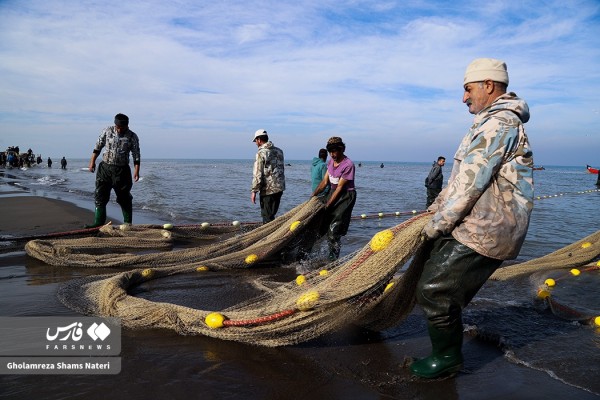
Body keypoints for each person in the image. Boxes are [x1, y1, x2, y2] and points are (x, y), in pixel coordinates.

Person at [410, 58, 534, 379]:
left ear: (488, 86)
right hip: (473, 221)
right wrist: (435, 209)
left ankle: (448, 358)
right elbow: (459, 179)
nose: (464, 98)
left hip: (488, 227)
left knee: (434, 290)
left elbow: (470, 184)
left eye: (467, 89)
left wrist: (436, 225)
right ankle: (446, 351)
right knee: (437, 283)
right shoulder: (487, 122)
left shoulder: (499, 124)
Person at [86, 113, 141, 228]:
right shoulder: (107, 131)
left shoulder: (132, 136)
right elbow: (98, 147)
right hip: (105, 168)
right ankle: (98, 223)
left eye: (122, 128)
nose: (120, 129)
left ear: (127, 126)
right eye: (118, 127)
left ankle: (127, 223)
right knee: (100, 195)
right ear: (115, 125)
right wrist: (92, 162)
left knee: (124, 197)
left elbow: (136, 155)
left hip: (122, 171)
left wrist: (136, 171)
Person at [312, 137, 357, 260]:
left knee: (334, 230)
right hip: (332, 192)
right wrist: (313, 196)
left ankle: (333, 260)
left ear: (342, 149)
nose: (332, 154)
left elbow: (340, 188)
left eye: (335, 151)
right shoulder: (331, 162)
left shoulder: (348, 165)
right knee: (320, 227)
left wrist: (327, 206)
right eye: (330, 151)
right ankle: (315, 255)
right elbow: (325, 182)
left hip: (345, 196)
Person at [250, 129, 285, 223]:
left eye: (255, 141)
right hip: (279, 188)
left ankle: (268, 236)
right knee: (271, 214)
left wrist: (254, 191)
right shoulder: (279, 151)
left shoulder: (261, 153)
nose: (255, 143)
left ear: (259, 140)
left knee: (266, 216)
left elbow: (258, 174)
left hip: (268, 190)